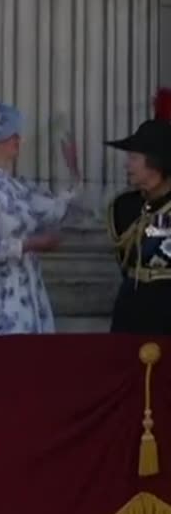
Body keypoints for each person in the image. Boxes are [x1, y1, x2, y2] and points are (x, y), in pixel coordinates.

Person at [0, 96, 78, 335]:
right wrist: (29, 244)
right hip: (1, 298)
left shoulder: (17, 187)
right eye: (10, 135)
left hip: (29, 293)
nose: (17, 139)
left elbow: (56, 211)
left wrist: (73, 171)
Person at [106, 89, 171, 334]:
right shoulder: (123, 207)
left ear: (156, 162)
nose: (127, 165)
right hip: (132, 310)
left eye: (134, 157)